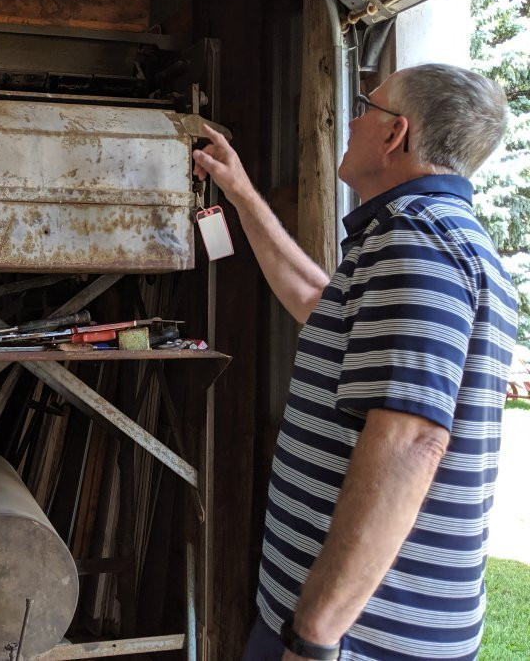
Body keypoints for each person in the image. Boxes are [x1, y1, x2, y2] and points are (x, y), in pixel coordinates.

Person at [192, 63, 518, 660]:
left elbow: (412, 441)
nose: (353, 120)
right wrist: (239, 191)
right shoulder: (425, 236)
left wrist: (314, 637)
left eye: (367, 108)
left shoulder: (417, 242)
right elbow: (317, 302)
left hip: (359, 640)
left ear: (396, 134)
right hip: (355, 630)